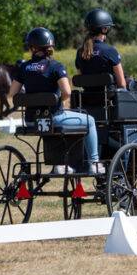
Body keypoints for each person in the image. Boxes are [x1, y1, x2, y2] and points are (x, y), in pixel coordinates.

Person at [10, 27, 103, 175]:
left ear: (32, 47)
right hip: (53, 118)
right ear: (50, 46)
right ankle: (94, 163)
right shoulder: (55, 66)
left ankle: (58, 164)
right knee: (90, 120)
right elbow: (67, 92)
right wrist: (58, 101)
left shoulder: (24, 67)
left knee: (59, 124)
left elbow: (13, 93)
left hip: (31, 121)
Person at [75, 8, 126, 89]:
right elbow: (122, 84)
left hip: (87, 96)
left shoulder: (80, 52)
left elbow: (82, 79)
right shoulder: (110, 51)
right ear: (104, 29)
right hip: (109, 96)